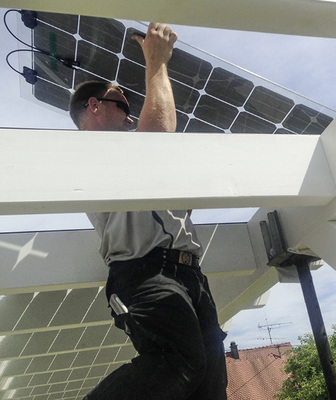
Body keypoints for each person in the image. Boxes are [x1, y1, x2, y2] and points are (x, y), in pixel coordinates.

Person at [69, 22, 228, 400]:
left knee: (209, 388)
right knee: (178, 362)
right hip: (143, 270)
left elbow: (179, 203)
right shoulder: (89, 151)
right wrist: (156, 63)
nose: (130, 115)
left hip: (189, 274)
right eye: (123, 104)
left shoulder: (127, 158)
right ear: (94, 107)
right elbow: (157, 136)